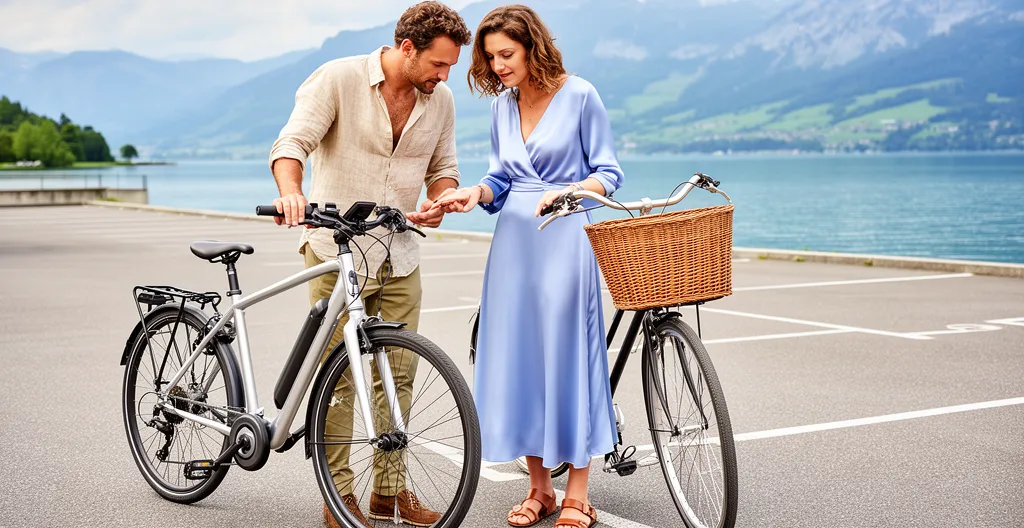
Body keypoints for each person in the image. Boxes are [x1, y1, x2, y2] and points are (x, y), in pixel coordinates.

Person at [267, 2, 471, 526]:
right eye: (438, 64)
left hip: (400, 256)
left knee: (398, 379)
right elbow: (291, 145)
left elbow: (443, 169)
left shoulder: (440, 99)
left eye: (449, 67)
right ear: (407, 48)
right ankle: (340, 494)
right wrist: (291, 194)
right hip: (338, 253)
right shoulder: (339, 79)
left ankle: (391, 492)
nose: (445, 76)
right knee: (338, 382)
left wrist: (443, 199)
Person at [435, 5, 624, 528]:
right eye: (490, 57)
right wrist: (473, 194)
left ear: (532, 47)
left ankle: (578, 492)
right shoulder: (503, 106)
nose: (497, 66)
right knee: (521, 362)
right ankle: (539, 488)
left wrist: (571, 189)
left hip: (566, 238)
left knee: (567, 357)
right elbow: (501, 180)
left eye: (506, 54)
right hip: (513, 246)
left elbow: (609, 173)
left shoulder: (581, 95)